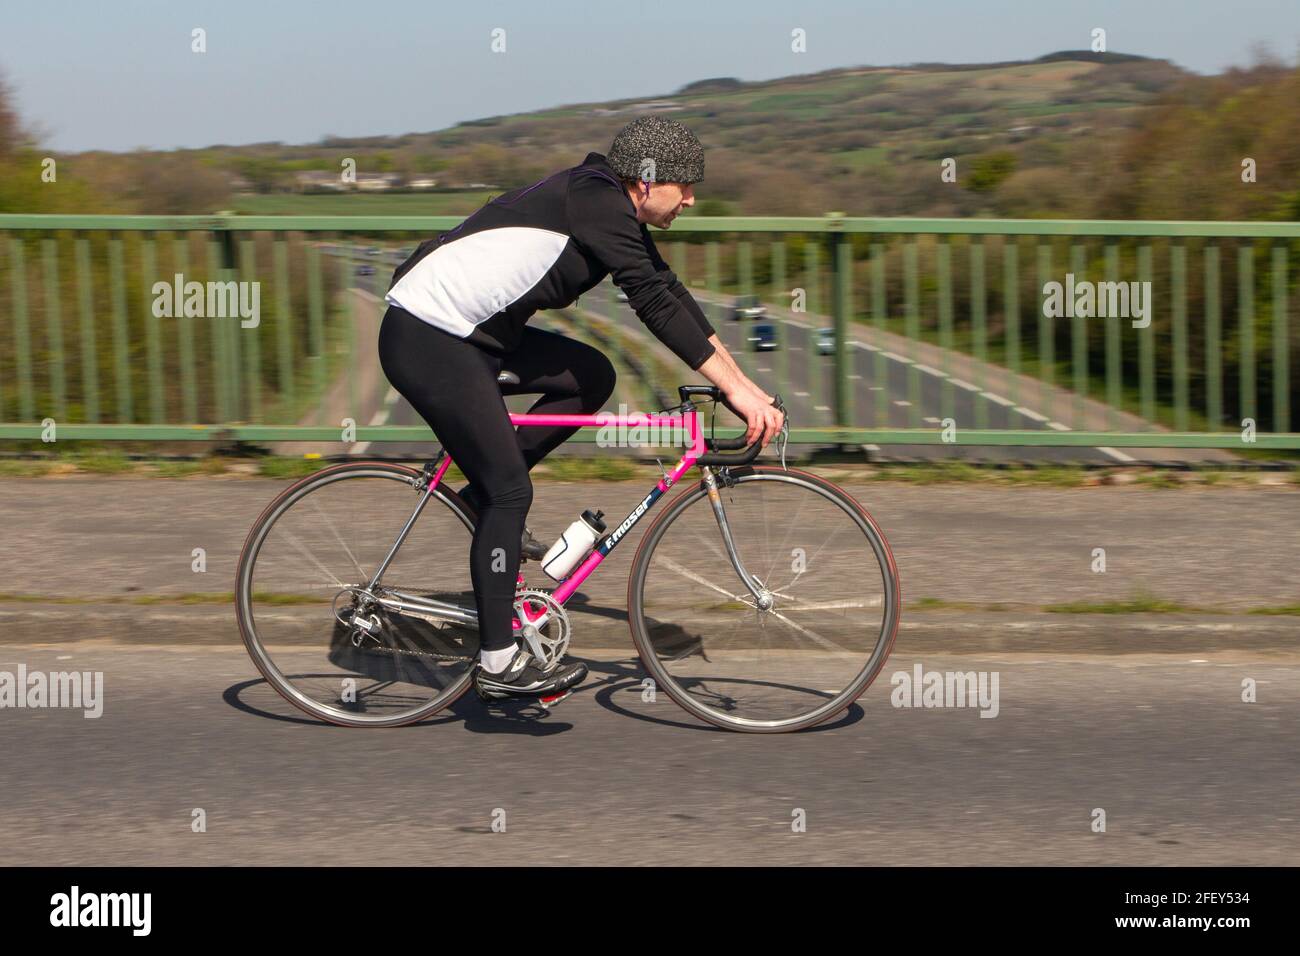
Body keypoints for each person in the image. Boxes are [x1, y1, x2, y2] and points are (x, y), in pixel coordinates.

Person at [377, 115, 783, 701]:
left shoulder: (605, 203)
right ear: (645, 182)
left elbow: (669, 291)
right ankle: (497, 661)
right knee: (511, 492)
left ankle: (481, 503)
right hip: (429, 336)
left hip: (474, 336)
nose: (691, 197)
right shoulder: (595, 203)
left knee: (593, 375)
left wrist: (743, 384)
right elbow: (653, 306)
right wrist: (737, 392)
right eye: (685, 184)